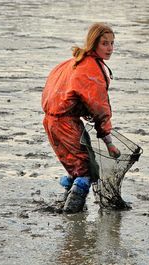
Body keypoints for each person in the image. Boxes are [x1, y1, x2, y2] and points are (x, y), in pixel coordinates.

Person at [41, 23, 121, 213]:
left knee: (74, 166)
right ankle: (71, 214)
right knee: (85, 170)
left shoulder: (74, 61)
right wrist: (108, 142)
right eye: (104, 44)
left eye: (112, 43)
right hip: (65, 123)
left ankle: (65, 203)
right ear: (94, 44)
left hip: (51, 121)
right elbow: (100, 107)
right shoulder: (91, 70)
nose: (109, 48)